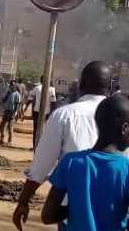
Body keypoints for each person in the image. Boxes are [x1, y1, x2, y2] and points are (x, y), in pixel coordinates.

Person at [13, 61, 111, 230]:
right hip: (115, 212)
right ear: (110, 86)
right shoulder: (122, 118)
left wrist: (23, 201)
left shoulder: (65, 115)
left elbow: (42, 166)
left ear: (81, 84)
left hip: (73, 211)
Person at [41, 95, 129, 231]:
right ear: (124, 128)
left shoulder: (70, 162)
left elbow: (47, 216)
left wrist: (77, 209)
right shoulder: (126, 169)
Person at [27, 76, 57, 148]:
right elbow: (53, 102)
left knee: (36, 129)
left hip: (36, 111)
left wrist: (25, 108)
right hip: (47, 112)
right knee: (45, 130)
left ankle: (35, 146)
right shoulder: (52, 89)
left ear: (40, 81)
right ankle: (42, 146)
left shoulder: (36, 88)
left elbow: (30, 99)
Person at [0, 80, 21, 145]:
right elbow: (4, 100)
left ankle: (10, 141)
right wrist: (3, 97)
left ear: (15, 86)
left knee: (10, 126)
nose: (11, 86)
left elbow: (17, 105)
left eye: (12, 85)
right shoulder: (9, 93)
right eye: (11, 85)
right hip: (6, 110)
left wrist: (14, 113)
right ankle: (2, 138)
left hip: (12, 112)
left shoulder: (17, 94)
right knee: (2, 124)